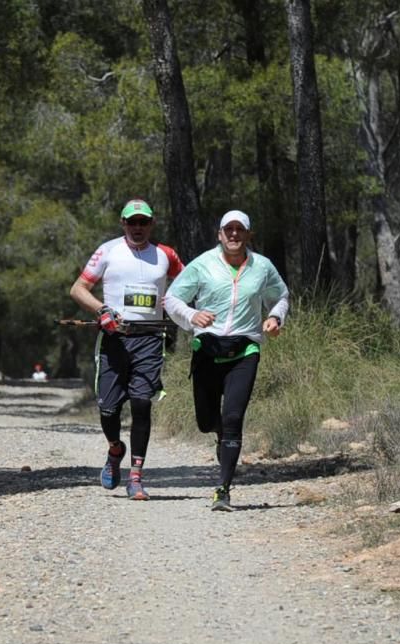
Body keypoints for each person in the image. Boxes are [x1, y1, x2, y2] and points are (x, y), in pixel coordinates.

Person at [163, 210, 288, 512]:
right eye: (228, 230)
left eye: (239, 230)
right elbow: (171, 298)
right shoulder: (203, 264)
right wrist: (192, 316)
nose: (233, 235)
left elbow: (281, 295)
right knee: (207, 422)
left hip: (245, 350)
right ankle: (219, 433)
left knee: (233, 419)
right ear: (219, 235)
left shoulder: (263, 267)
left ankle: (224, 490)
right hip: (207, 348)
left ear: (248, 235)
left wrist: (275, 316)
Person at [70, 199, 184, 500]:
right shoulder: (108, 251)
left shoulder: (165, 254)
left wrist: (173, 301)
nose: (137, 228)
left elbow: (188, 283)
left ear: (151, 224)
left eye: (143, 222)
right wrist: (102, 311)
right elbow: (78, 288)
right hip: (114, 339)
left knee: (142, 403)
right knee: (108, 409)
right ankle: (115, 449)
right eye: (131, 222)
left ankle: (136, 476)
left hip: (150, 339)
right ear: (122, 223)